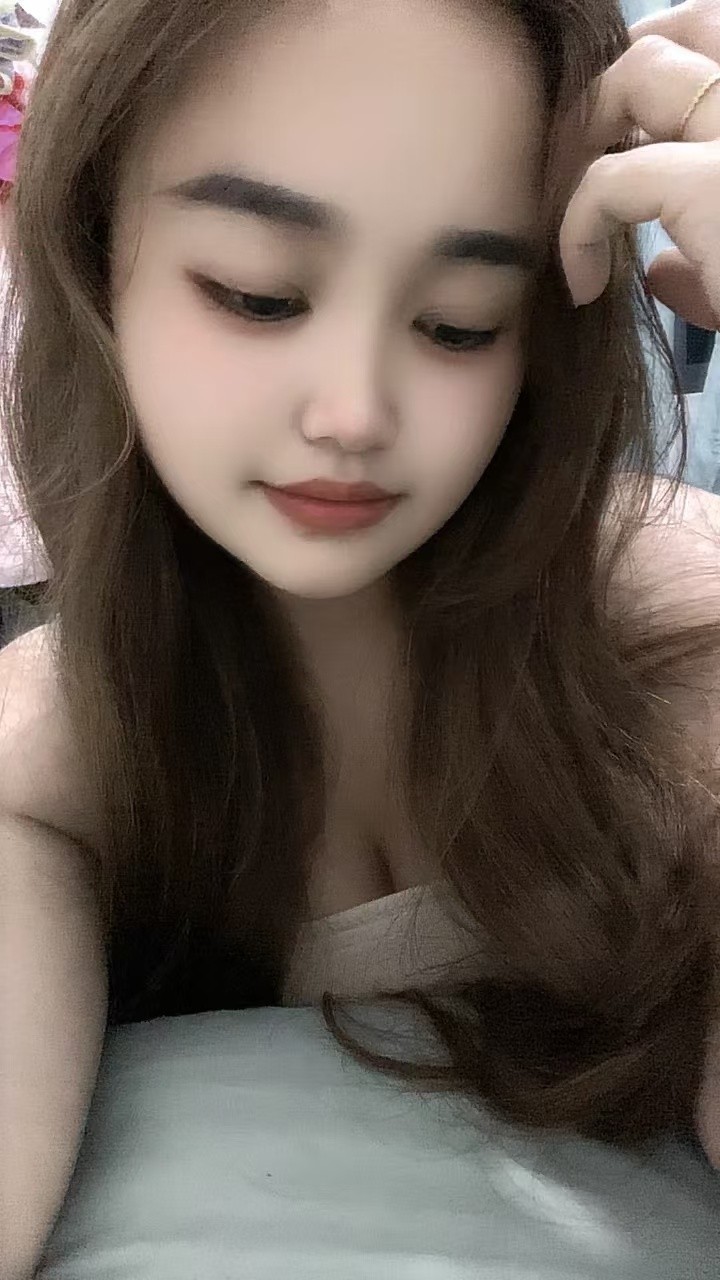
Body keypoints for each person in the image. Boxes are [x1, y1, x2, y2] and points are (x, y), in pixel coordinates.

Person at [1, 0, 719, 1273]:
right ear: (93, 251)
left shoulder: (672, 650)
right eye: (258, 293)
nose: (355, 411)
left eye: (460, 319)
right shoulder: (53, 754)